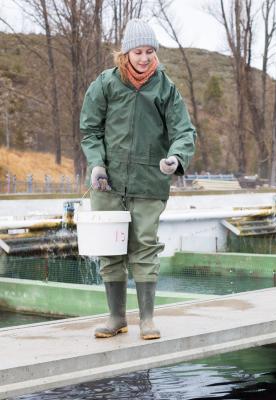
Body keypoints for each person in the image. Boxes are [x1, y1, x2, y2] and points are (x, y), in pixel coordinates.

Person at [80, 18, 196, 340]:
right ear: (126, 52)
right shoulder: (105, 84)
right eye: (137, 51)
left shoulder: (165, 87)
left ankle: (147, 319)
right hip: (108, 183)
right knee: (110, 250)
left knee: (145, 247)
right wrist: (97, 165)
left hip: (149, 182)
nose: (144, 58)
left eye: (149, 51)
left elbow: (184, 131)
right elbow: (90, 130)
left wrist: (177, 157)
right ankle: (116, 317)